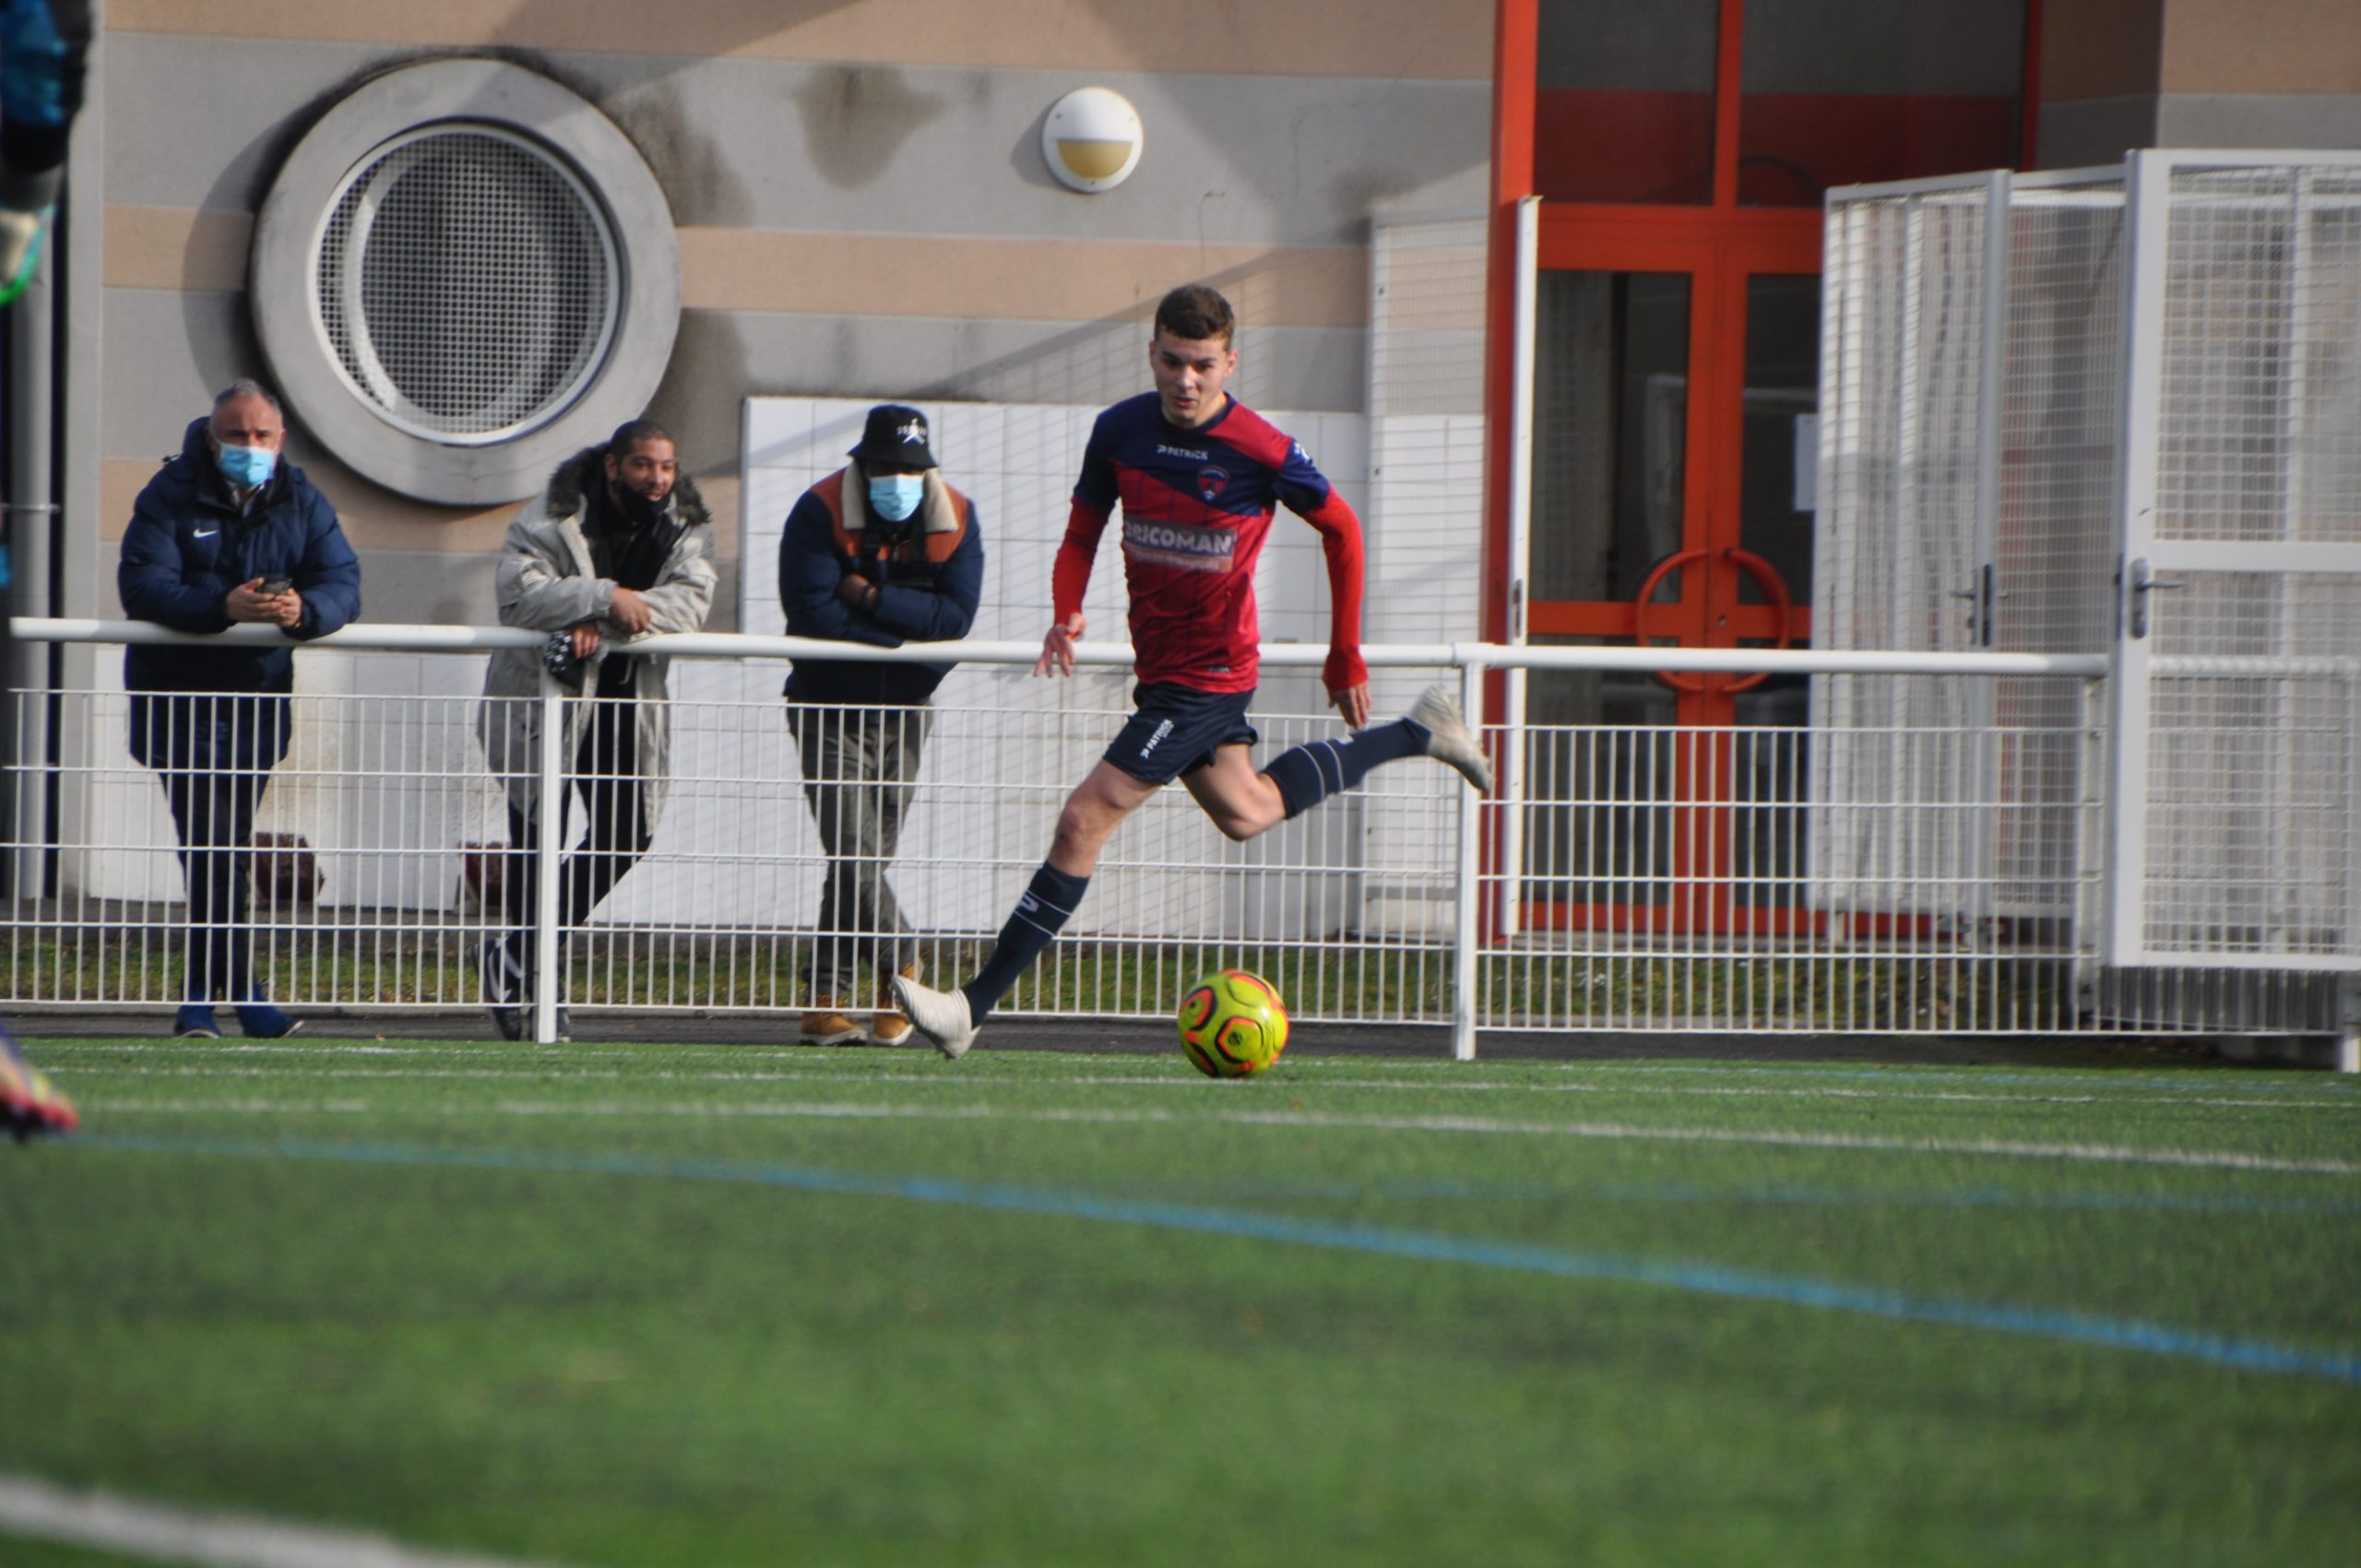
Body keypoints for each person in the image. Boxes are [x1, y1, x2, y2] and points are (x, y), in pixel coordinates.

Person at [893, 284, 1490, 1060]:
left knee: (1084, 818)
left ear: (1229, 362)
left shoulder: (1261, 448)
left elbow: (1342, 529)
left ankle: (972, 1006)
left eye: (1203, 366)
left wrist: (1347, 651)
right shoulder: (1119, 432)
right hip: (1164, 669)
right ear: (1151, 354)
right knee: (1246, 810)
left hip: (1208, 676)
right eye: (1172, 362)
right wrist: (1066, 610)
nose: (1186, 381)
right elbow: (1081, 532)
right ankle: (1421, 730)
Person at [117, 380, 362, 1039]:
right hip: (178, 698)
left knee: (218, 847)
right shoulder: (168, 494)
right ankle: (228, 995)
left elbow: (342, 583)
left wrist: (299, 611)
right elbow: (142, 587)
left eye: (261, 437)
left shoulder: (302, 498)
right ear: (210, 436)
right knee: (211, 847)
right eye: (236, 435)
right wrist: (222, 607)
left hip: (255, 700)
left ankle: (215, 996)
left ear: (280, 441)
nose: (249, 447)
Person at [477, 418, 716, 1040]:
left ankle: (519, 954)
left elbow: (689, 606)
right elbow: (517, 595)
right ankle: (542, 989)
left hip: (625, 704)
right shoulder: (553, 513)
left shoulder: (685, 524)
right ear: (613, 466)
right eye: (643, 466)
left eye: (665, 467)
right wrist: (605, 596)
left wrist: (595, 617)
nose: (657, 479)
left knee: (627, 833)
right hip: (543, 700)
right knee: (537, 841)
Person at [778, 404, 983, 1045]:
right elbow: (812, 614)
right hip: (828, 705)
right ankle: (904, 965)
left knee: (862, 856)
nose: (899, 479)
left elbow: (953, 620)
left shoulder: (957, 517)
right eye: (887, 467)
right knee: (854, 846)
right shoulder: (817, 512)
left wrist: (867, 596)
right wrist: (904, 627)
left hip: (906, 711)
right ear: (862, 466)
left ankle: (824, 1001)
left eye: (911, 468)